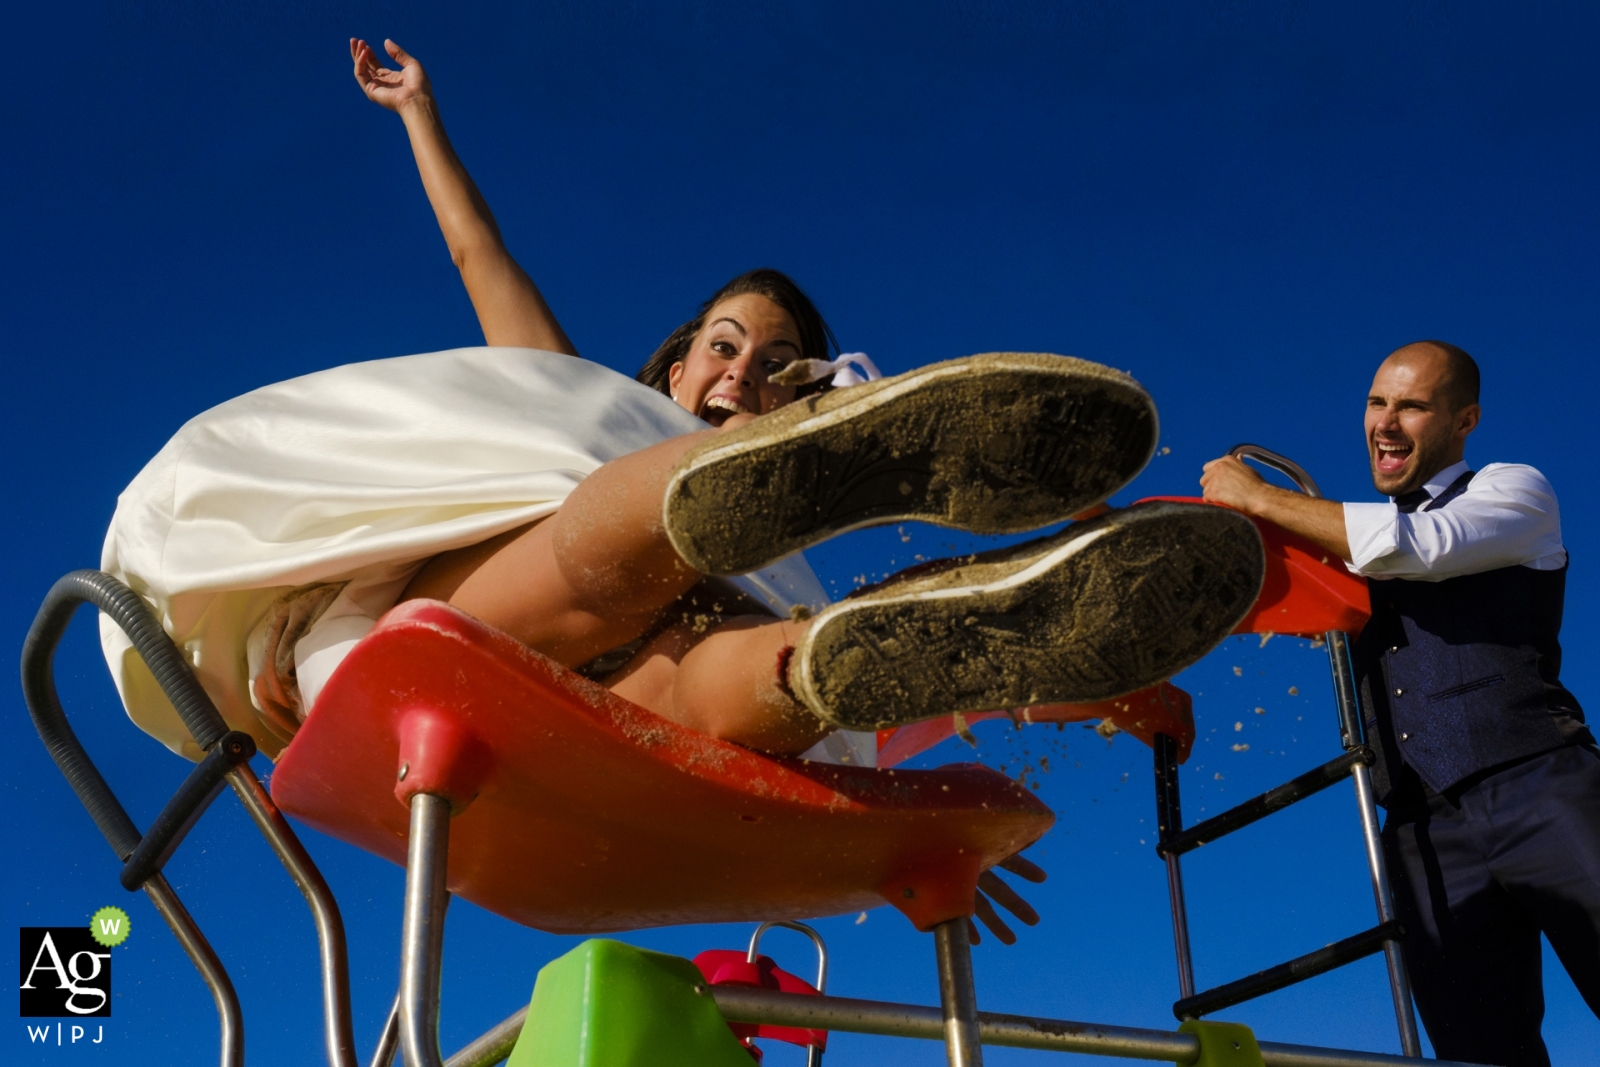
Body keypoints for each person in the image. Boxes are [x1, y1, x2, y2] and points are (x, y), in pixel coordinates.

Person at [1200, 340, 1596, 1066]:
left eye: (1412, 405)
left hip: (1542, 785)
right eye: (1378, 401)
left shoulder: (1516, 490)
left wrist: (1257, 495)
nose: (1387, 421)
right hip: (1419, 829)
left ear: (1464, 419)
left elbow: (1422, 545)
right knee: (1479, 1053)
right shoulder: (1341, 545)